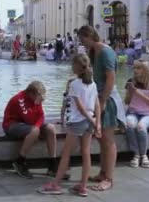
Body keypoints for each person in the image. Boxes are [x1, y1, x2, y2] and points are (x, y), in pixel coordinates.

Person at [38, 54, 101, 197]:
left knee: (66, 154)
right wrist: (97, 122)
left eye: (73, 64)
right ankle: (83, 186)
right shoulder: (93, 83)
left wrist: (92, 121)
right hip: (90, 122)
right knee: (86, 153)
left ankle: (55, 184)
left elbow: (79, 107)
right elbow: (97, 104)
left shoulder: (74, 84)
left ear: (76, 67)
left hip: (78, 122)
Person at [77, 25, 125, 192]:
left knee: (108, 140)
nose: (81, 43)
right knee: (101, 138)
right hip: (98, 98)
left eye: (82, 39)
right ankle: (103, 172)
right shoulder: (93, 52)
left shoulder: (105, 52)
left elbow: (111, 78)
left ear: (89, 35)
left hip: (108, 99)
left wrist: (103, 100)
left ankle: (109, 179)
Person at [3, 81, 58, 179]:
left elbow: (41, 116)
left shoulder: (35, 99)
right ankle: (20, 161)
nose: (41, 101)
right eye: (39, 97)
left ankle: (52, 165)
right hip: (11, 125)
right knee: (35, 131)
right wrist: (36, 126)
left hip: (27, 124)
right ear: (31, 94)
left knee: (51, 129)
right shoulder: (20, 100)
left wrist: (37, 125)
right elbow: (29, 119)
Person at [124, 60, 149, 168]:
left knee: (141, 126)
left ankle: (144, 155)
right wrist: (130, 93)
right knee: (130, 125)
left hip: (148, 114)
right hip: (132, 112)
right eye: (134, 68)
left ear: (145, 70)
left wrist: (138, 93)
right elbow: (126, 102)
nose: (135, 70)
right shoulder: (130, 82)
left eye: (138, 68)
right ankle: (136, 154)